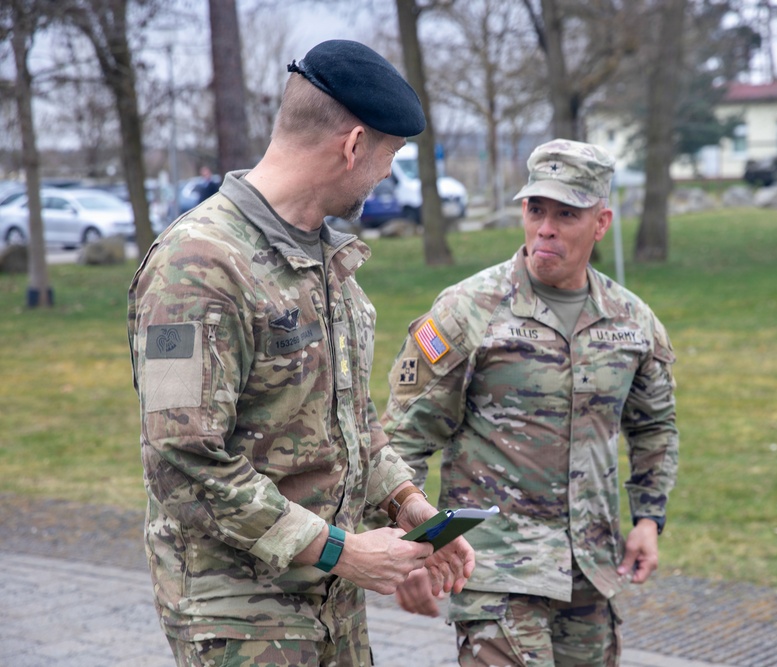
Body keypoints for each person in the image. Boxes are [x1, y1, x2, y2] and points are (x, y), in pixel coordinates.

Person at [127, 40, 475, 667]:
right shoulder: (198, 266)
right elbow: (183, 462)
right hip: (239, 610)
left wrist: (408, 503)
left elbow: (348, 422)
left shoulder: (322, 258)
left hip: (330, 602)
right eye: (389, 154)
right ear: (352, 145)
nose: (386, 173)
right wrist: (342, 550)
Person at [381, 138, 679, 666]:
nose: (546, 227)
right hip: (491, 568)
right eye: (536, 209)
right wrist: (406, 546)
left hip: (590, 569)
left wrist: (648, 521)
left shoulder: (631, 320)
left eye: (567, 214)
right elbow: (406, 432)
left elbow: (655, 427)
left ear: (601, 222)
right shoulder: (467, 311)